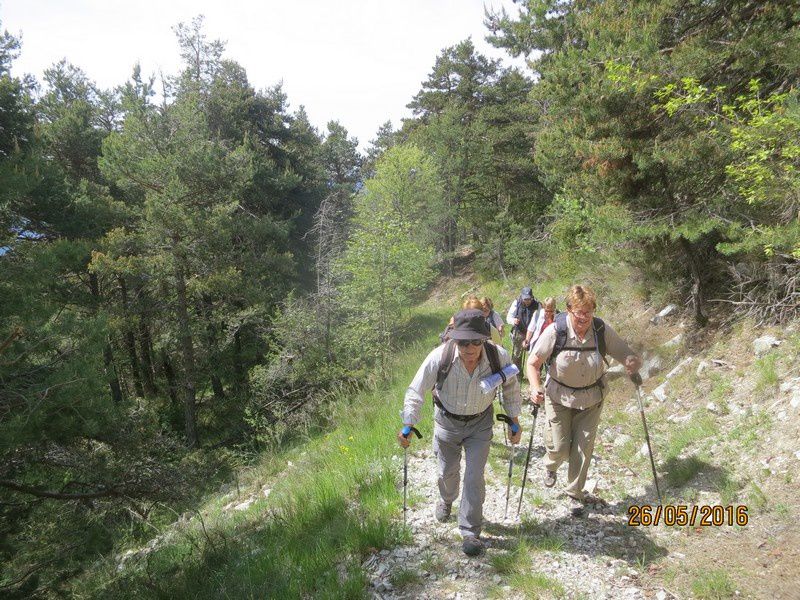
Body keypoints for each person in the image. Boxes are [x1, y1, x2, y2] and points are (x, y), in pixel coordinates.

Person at [398, 309, 522, 556]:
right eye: (463, 341)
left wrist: (514, 421)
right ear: (455, 339)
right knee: (447, 473)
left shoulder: (499, 357)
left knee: (474, 477)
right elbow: (416, 390)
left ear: (484, 339)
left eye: (475, 341)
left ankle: (470, 532)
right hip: (447, 423)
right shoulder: (439, 357)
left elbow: (510, 388)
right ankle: (446, 499)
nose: (469, 348)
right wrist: (408, 425)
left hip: (480, 423)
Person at [526, 285, 641, 514]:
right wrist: (535, 386)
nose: (584, 318)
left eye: (588, 312)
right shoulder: (556, 330)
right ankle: (551, 465)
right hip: (559, 396)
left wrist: (631, 362)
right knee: (559, 447)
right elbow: (533, 363)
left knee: (583, 447)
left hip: (591, 398)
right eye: (579, 312)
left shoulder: (600, 329)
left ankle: (574, 492)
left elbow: (624, 353)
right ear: (569, 310)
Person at [506, 287, 538, 372]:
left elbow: (541, 318)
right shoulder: (516, 302)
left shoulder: (537, 304)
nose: (527, 301)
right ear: (522, 297)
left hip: (533, 333)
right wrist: (513, 320)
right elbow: (509, 317)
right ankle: (517, 374)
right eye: (525, 299)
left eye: (529, 299)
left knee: (535, 353)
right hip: (519, 331)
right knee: (517, 354)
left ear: (532, 297)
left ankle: (536, 371)